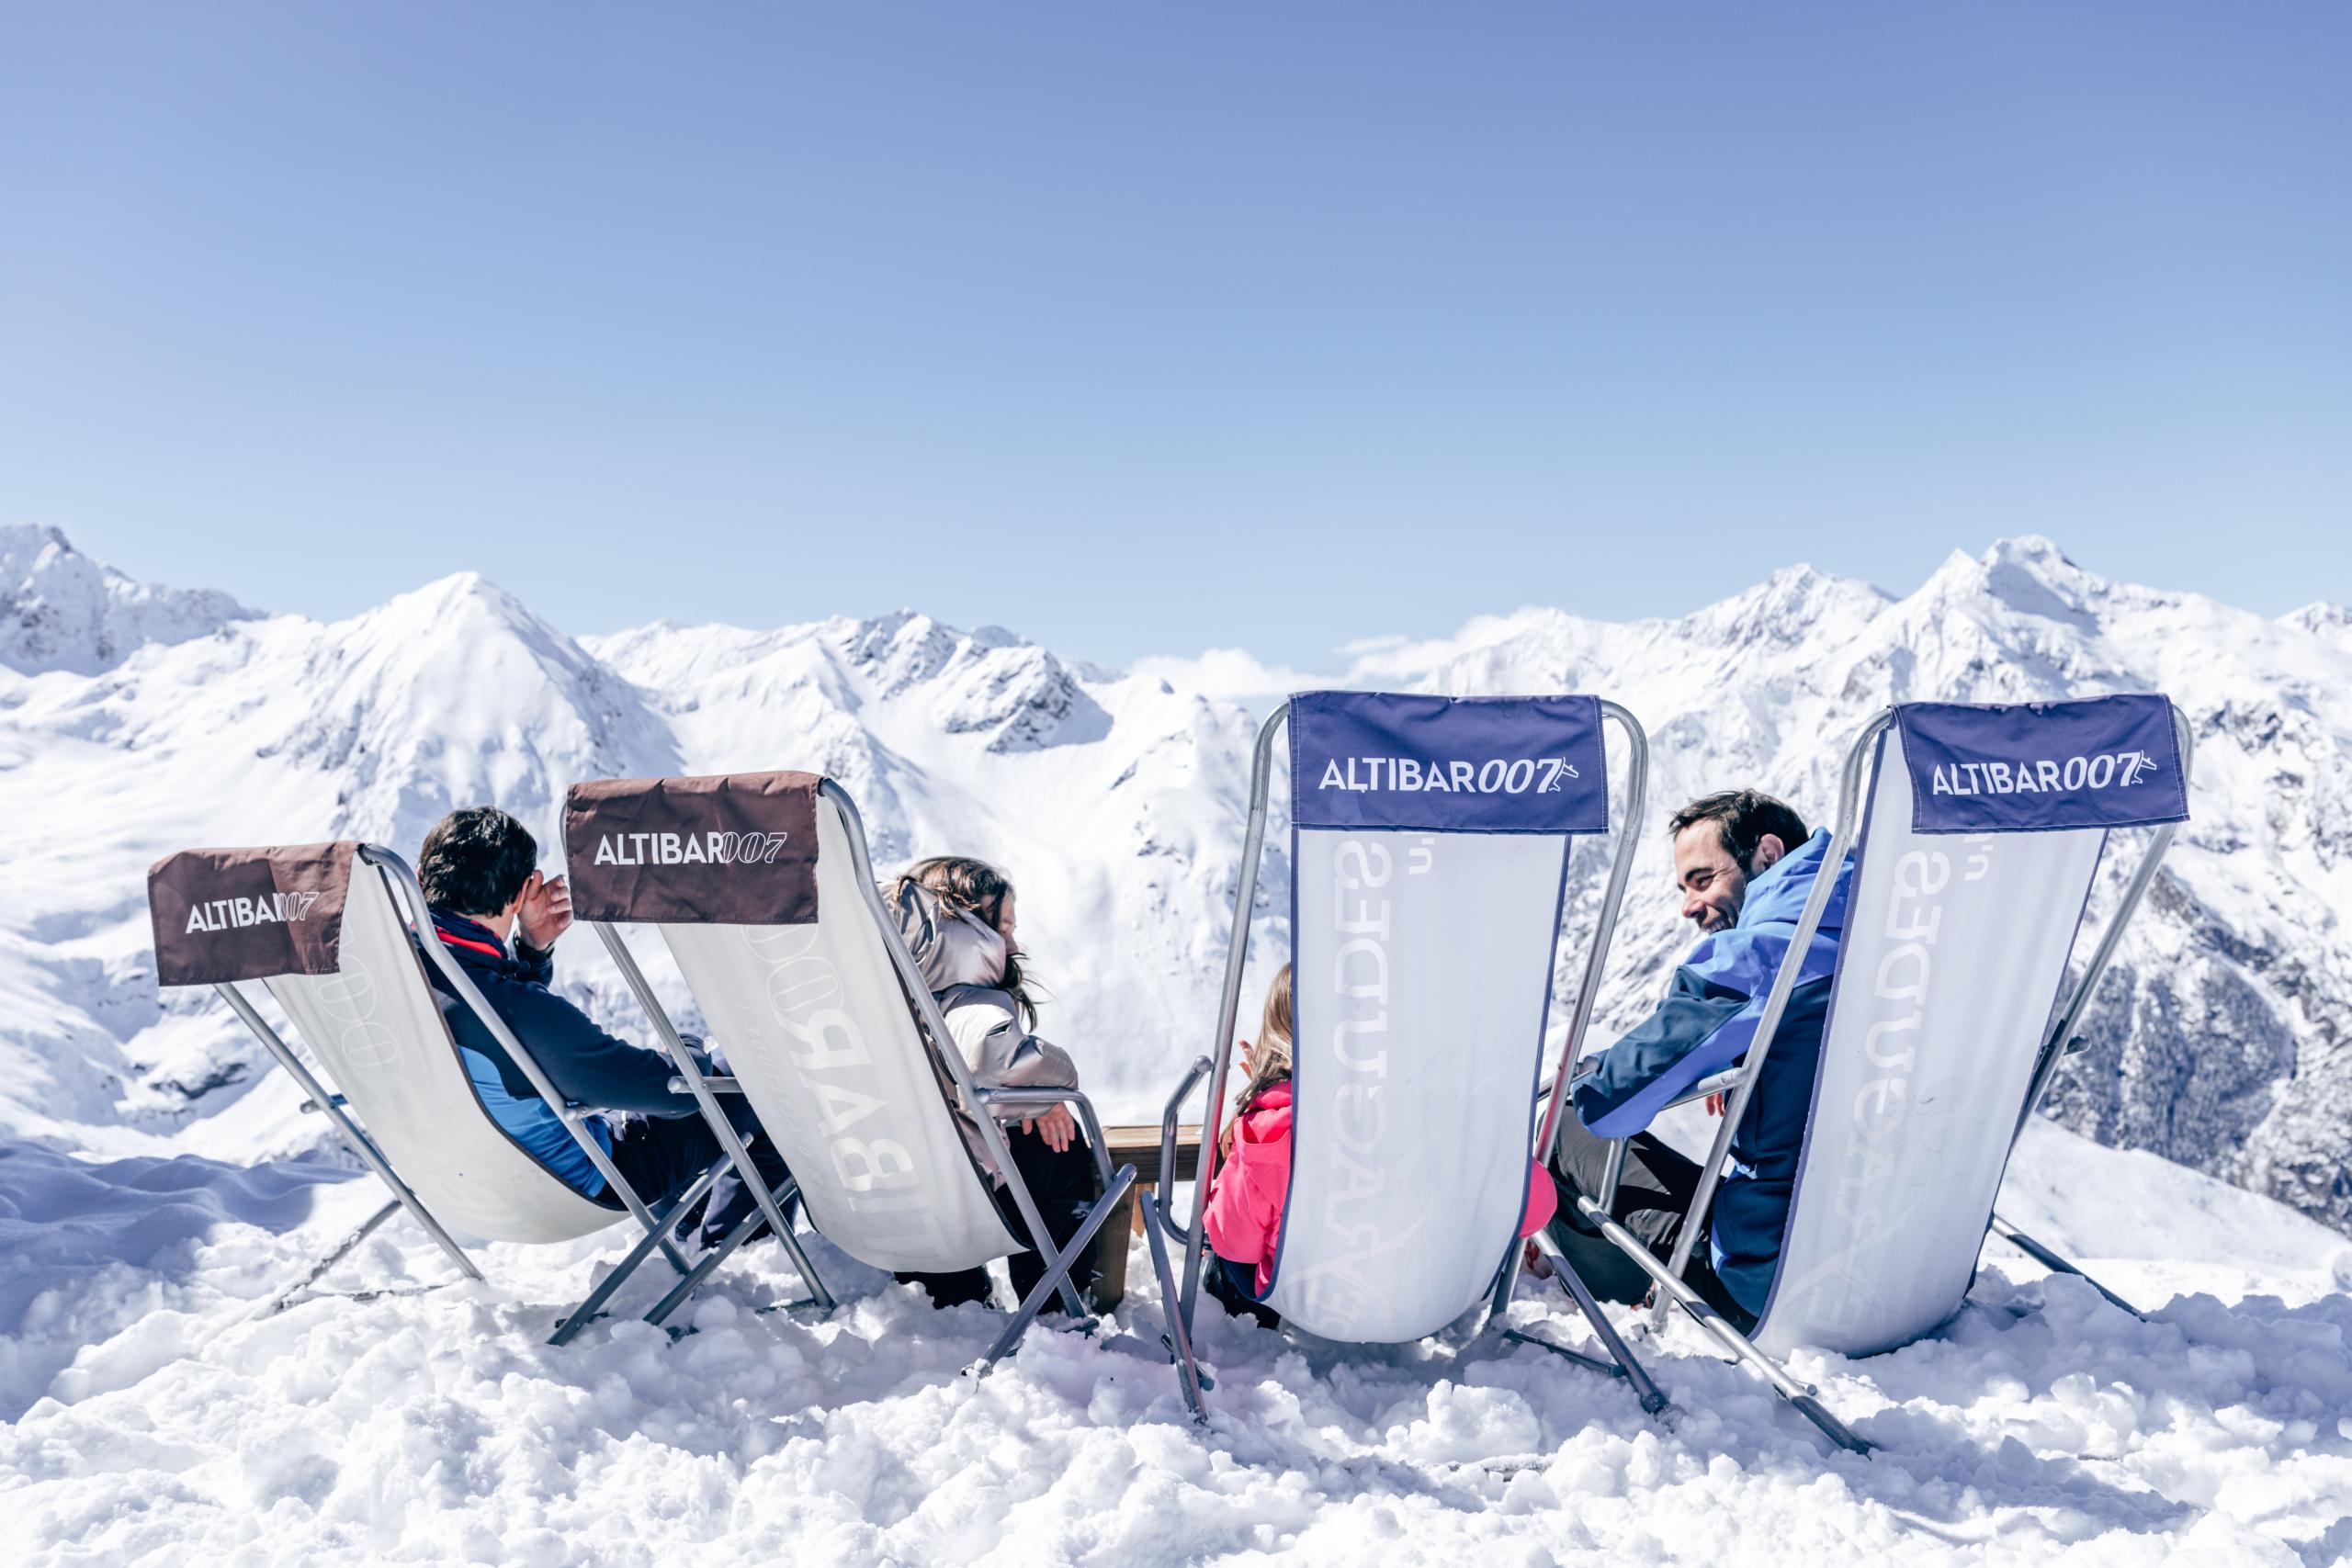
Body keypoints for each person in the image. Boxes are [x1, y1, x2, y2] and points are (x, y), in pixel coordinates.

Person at [1543, 789, 1852, 1332]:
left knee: (1564, 1125)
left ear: (1768, 856)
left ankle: (1599, 1283)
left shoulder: (1756, 960)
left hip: (1771, 1290)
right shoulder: (1898, 942)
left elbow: (1614, 1105)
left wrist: (1593, 1076)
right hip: (1914, 1270)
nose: (1688, 905)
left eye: (1703, 879)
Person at [415, 806, 793, 1248]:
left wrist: (531, 953)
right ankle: (747, 1251)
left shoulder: (396, 973)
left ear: (420, 878)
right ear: (520, 896)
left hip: (461, 1182)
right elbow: (667, 1095)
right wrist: (697, 1055)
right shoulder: (515, 1011)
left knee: (681, 1075)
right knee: (754, 1080)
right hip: (573, 1186)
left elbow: (508, 1049)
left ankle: (697, 1224)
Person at [1202, 964, 1558, 1326]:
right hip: (1431, 1301)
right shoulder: (1446, 1114)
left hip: (1316, 1303)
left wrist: (1258, 1115)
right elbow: (1536, 1207)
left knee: (1232, 1239)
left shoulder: (1274, 1126)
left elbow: (1234, 1241)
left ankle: (1234, 1321)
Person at [888, 855, 1105, 1312]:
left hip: (889, 1187)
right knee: (1060, 1145)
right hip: (966, 1195)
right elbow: (998, 1063)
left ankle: (952, 1292)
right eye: (1002, 928)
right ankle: (1056, 1298)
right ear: (965, 932)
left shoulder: (882, 992)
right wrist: (1055, 1090)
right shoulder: (965, 1000)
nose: (1012, 942)